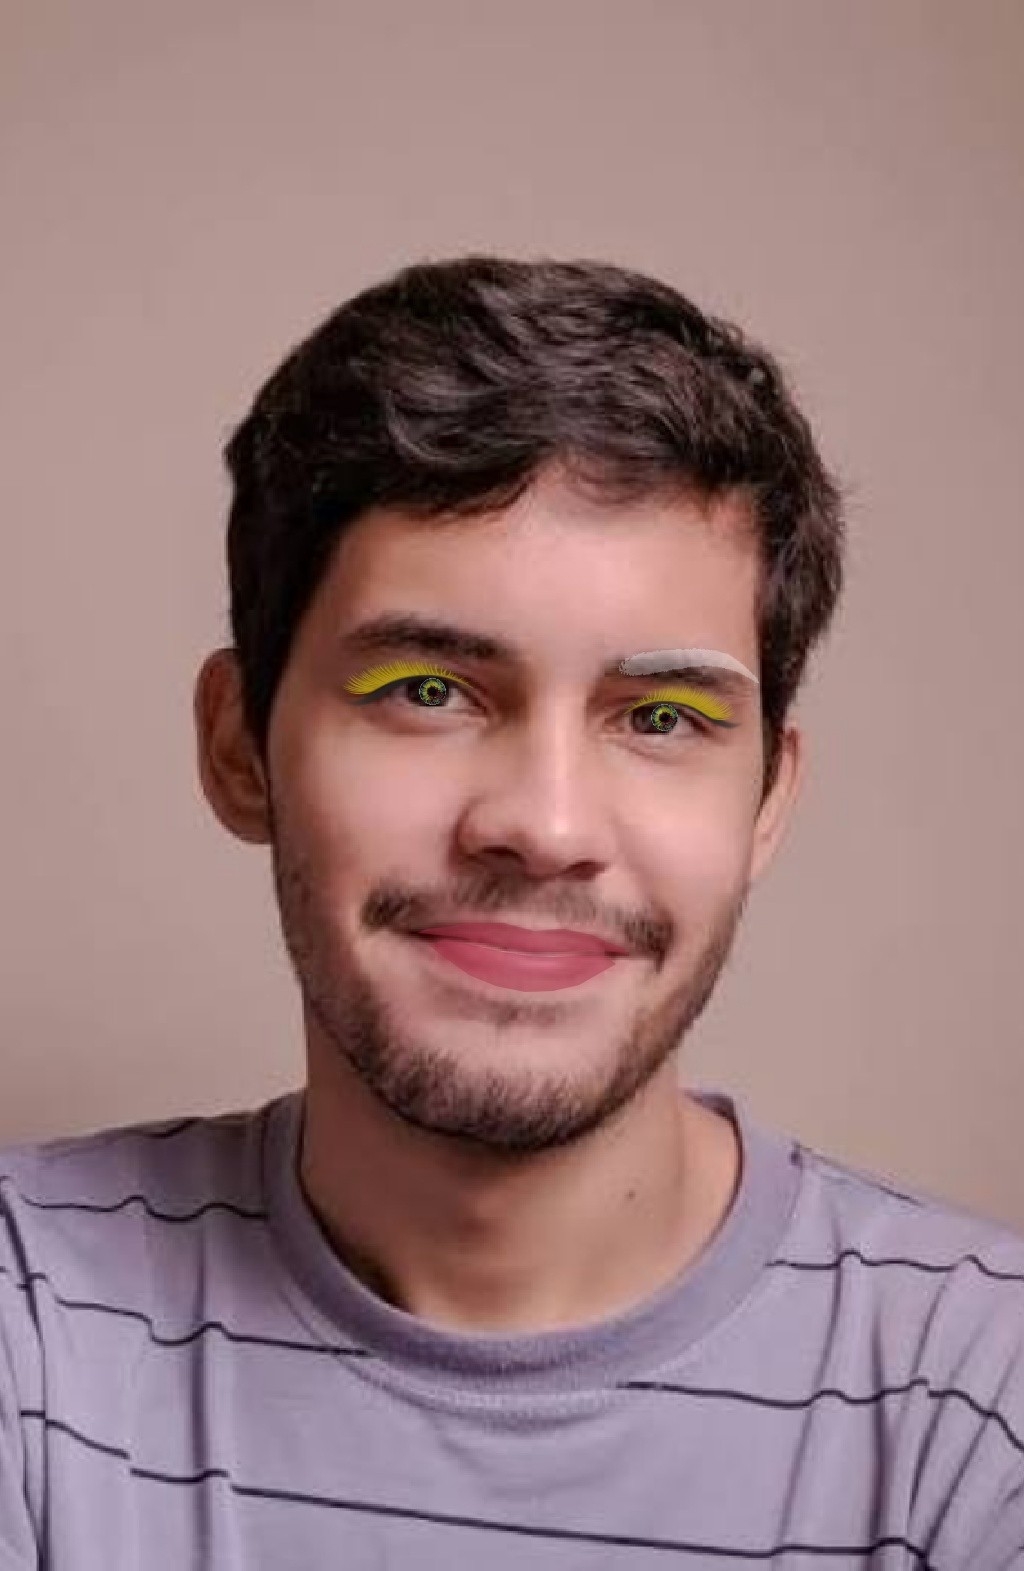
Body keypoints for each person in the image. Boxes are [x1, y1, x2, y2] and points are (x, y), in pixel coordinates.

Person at [1, 255, 1022, 1569]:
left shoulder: (984, 1405)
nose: (545, 826)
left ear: (767, 801)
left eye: (663, 718)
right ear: (239, 746)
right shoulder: (29, 1325)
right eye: (428, 691)